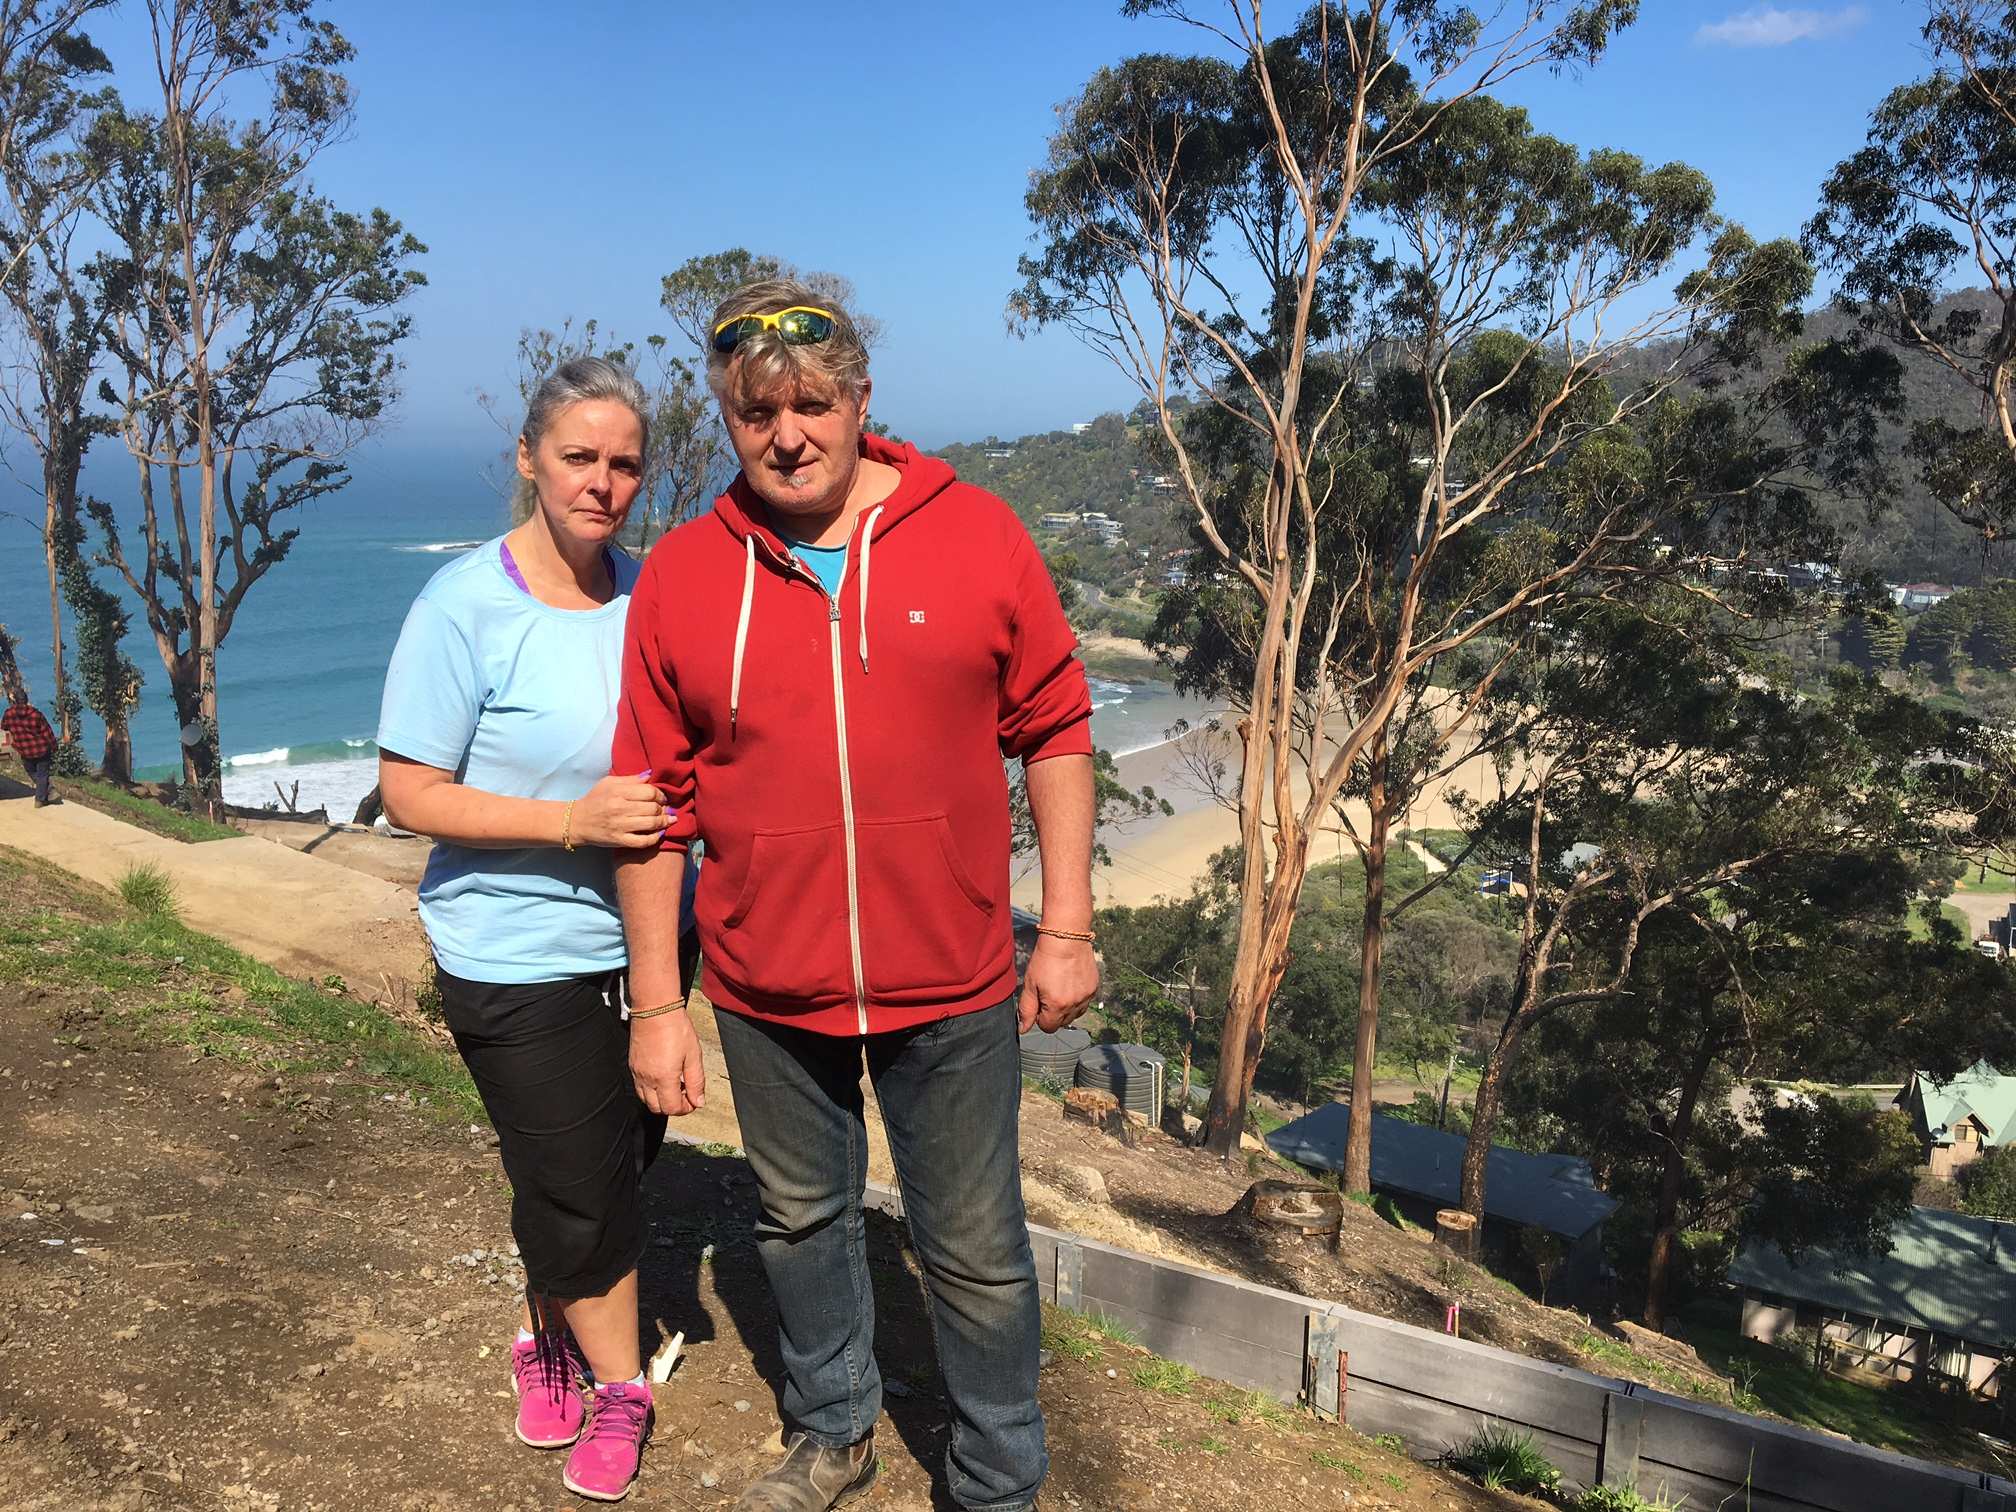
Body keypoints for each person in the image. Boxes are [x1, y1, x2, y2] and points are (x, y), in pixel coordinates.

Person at [612, 279, 1099, 1512]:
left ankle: (999, 1479)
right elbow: (655, 804)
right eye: (755, 413)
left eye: (812, 405)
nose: (788, 435)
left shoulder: (978, 533)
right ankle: (836, 1430)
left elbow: (1055, 728)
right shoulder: (681, 576)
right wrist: (659, 1008)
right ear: (725, 421)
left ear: (861, 402)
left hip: (956, 979)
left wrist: (1072, 927)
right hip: (769, 988)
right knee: (799, 1226)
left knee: (978, 1254)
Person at [377, 357, 690, 1504]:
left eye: (622, 463)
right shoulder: (465, 605)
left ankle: (542, 1335)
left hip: (649, 948)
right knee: (579, 1186)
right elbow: (409, 790)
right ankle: (623, 1390)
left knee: (596, 1172)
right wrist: (569, 822)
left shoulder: (653, 594)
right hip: (509, 951)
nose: (602, 483)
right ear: (528, 459)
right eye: (578, 457)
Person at [2, 683, 58, 807]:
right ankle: (40, 799)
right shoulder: (35, 714)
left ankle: (46, 792)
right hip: (42, 749)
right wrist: (54, 746)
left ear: (15, 700)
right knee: (42, 774)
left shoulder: (8, 714)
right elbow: (47, 731)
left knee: (31, 771)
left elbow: (4, 727)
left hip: (25, 750)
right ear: (26, 700)